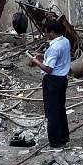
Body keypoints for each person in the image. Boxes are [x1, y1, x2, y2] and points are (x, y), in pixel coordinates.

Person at [28, 16, 71, 147]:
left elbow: (49, 69)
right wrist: (43, 55)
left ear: (52, 32)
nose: (45, 34)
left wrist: (36, 61)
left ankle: (55, 142)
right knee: (60, 109)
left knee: (52, 112)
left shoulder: (54, 47)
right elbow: (57, 58)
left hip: (52, 81)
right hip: (62, 80)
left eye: (47, 32)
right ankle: (63, 137)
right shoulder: (65, 41)